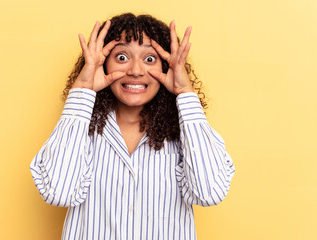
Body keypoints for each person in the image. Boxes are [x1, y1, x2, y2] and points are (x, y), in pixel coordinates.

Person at [30, 13, 235, 240]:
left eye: (149, 59)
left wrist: (185, 95)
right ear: (103, 64)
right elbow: (58, 193)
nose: (136, 70)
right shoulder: (81, 128)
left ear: (166, 67)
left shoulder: (183, 132)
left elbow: (210, 193)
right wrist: (83, 89)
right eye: (121, 57)